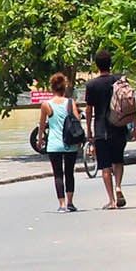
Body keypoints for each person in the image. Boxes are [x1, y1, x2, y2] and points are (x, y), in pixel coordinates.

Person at [82, 49, 129, 209]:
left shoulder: (92, 85)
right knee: (118, 160)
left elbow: (89, 110)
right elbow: (130, 103)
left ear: (97, 65)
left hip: (101, 129)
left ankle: (111, 200)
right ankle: (119, 187)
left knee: (105, 166)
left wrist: (88, 131)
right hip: (119, 126)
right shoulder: (119, 81)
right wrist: (134, 126)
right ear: (111, 63)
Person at [41, 71, 82, 213]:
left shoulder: (46, 105)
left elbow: (41, 125)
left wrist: (40, 139)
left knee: (58, 174)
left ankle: (62, 204)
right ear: (64, 87)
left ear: (52, 88)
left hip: (54, 144)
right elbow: (77, 120)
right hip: (70, 143)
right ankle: (70, 202)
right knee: (69, 173)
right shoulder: (70, 103)